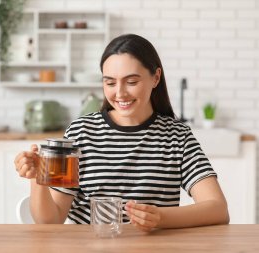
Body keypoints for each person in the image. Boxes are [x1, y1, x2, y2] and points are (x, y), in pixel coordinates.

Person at [14, 34, 229, 232]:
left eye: (132, 81)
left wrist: (161, 218)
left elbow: (218, 210)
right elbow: (50, 221)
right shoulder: (81, 133)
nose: (120, 93)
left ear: (155, 78)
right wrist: (36, 178)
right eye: (110, 82)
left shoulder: (177, 136)